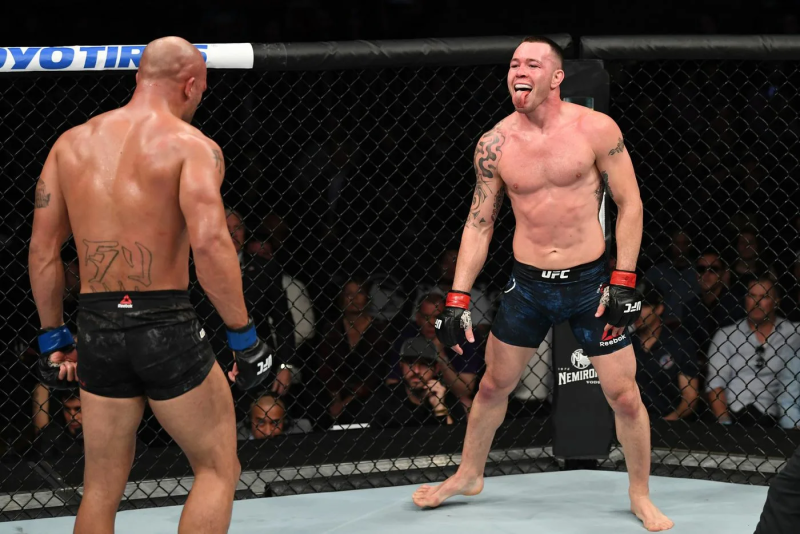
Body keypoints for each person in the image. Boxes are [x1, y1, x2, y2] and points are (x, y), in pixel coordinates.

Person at [412, 36, 673, 531]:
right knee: (492, 386)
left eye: (532, 64)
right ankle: (469, 474)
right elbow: (479, 223)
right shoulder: (495, 143)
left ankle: (639, 494)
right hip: (528, 285)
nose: (518, 71)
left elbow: (630, 203)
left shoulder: (595, 128)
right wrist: (457, 296)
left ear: (556, 78)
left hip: (590, 284)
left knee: (623, 394)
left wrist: (623, 279)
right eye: (514, 63)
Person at [27, 37, 274, 534]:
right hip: (164, 323)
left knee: (100, 487)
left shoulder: (70, 144)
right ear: (190, 85)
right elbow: (211, 245)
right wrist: (244, 337)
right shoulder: (193, 146)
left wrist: (54, 337)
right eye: (202, 90)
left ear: (139, 77)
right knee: (217, 468)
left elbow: (43, 251)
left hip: (97, 324)